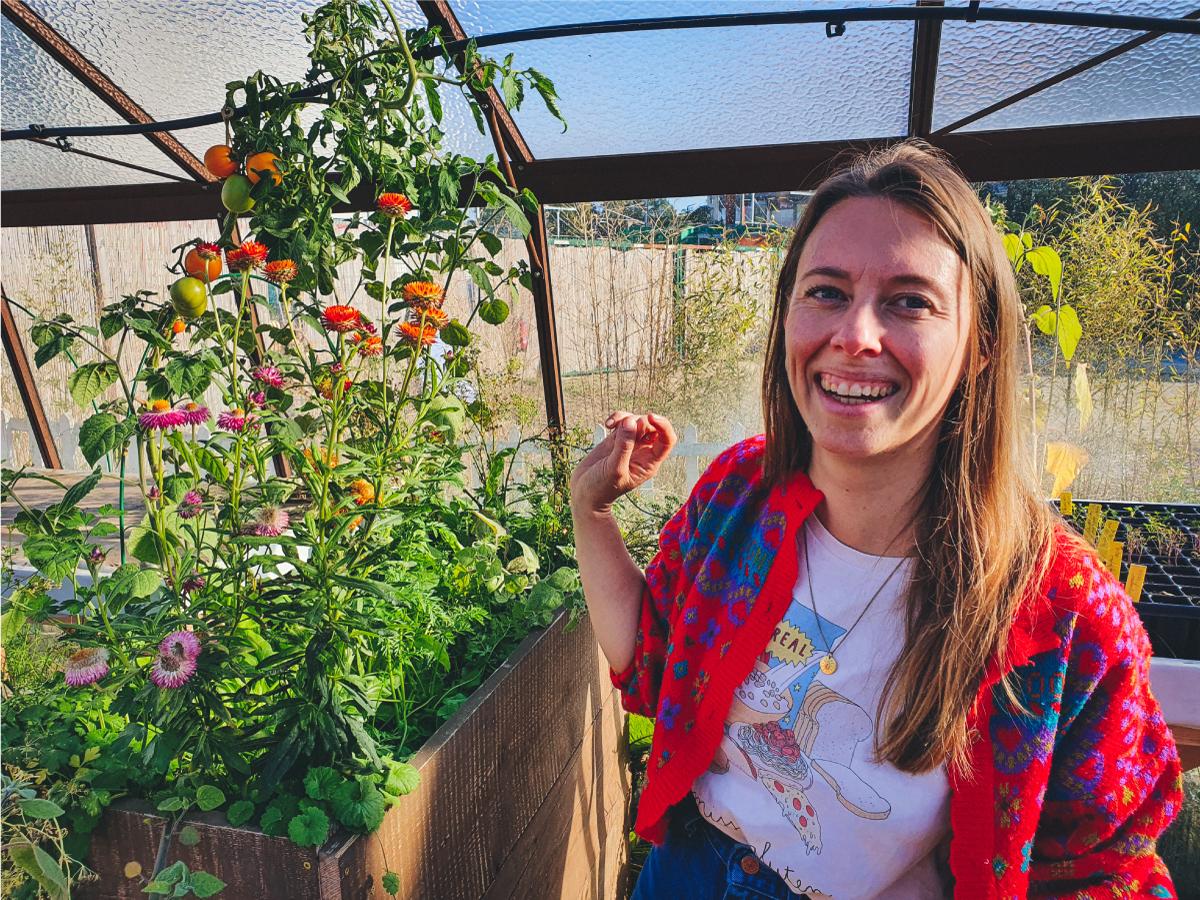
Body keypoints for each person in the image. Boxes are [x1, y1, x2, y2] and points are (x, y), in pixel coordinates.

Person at [569, 141, 1182, 899]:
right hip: (688, 873)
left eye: (910, 300)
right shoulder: (740, 495)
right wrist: (589, 511)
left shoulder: (1064, 612)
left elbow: (1103, 868)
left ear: (981, 342)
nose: (856, 335)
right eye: (825, 291)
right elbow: (654, 661)